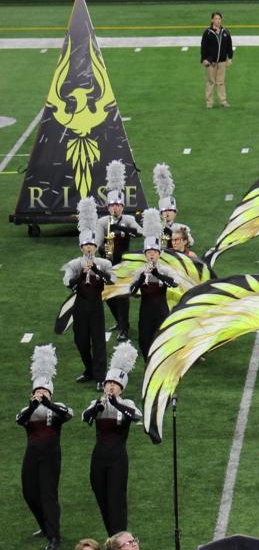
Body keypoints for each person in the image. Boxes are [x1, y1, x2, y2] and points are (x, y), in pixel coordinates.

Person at [83, 343, 141, 537]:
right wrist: (98, 407)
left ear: (121, 388)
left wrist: (116, 403)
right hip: (99, 457)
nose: (110, 387)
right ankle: (113, 538)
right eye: (109, 383)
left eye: (114, 385)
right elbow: (86, 417)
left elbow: (136, 416)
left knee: (116, 501)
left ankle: (120, 539)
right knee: (102, 499)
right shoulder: (97, 403)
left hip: (117, 458)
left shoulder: (127, 404)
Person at [18, 345, 71, 550]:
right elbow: (20, 420)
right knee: (29, 492)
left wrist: (47, 403)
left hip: (51, 455)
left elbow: (66, 415)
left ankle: (54, 535)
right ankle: (44, 526)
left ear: (50, 392)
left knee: (48, 494)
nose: (40, 394)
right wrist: (34, 405)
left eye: (43, 391)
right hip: (31, 455)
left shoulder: (57, 408)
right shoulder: (27, 410)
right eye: (37, 391)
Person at [64, 198, 112, 385]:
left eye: (92, 245)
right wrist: (82, 273)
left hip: (96, 304)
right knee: (81, 341)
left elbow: (111, 279)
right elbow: (68, 282)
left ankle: (101, 377)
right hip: (81, 304)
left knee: (99, 341)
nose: (89, 248)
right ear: (81, 247)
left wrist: (96, 271)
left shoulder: (103, 263)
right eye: (86, 246)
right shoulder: (75, 264)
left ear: (95, 247)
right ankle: (89, 369)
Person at [96, 165, 141, 343]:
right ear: (108, 207)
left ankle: (124, 328)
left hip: (123, 263)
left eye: (118, 205)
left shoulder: (129, 219)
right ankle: (118, 321)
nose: (115, 208)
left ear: (122, 207)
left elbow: (140, 232)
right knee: (108, 295)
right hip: (107, 262)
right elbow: (98, 243)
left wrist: (123, 230)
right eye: (113, 205)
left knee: (122, 295)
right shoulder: (102, 221)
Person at [128, 209, 178, 361]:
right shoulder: (140, 271)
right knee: (144, 341)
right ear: (145, 254)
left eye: (154, 252)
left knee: (161, 340)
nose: (151, 254)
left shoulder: (165, 270)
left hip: (161, 311)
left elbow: (174, 284)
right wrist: (142, 277)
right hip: (145, 312)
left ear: (159, 254)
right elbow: (132, 292)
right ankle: (148, 364)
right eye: (149, 252)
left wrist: (156, 274)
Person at [200, 11, 234, 109]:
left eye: (219, 19)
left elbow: (229, 46)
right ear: (212, 20)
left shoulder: (225, 32)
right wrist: (204, 59)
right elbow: (203, 47)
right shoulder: (208, 32)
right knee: (211, 82)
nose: (217, 21)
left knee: (221, 82)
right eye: (215, 18)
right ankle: (209, 102)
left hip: (222, 61)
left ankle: (223, 101)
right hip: (211, 62)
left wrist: (230, 58)